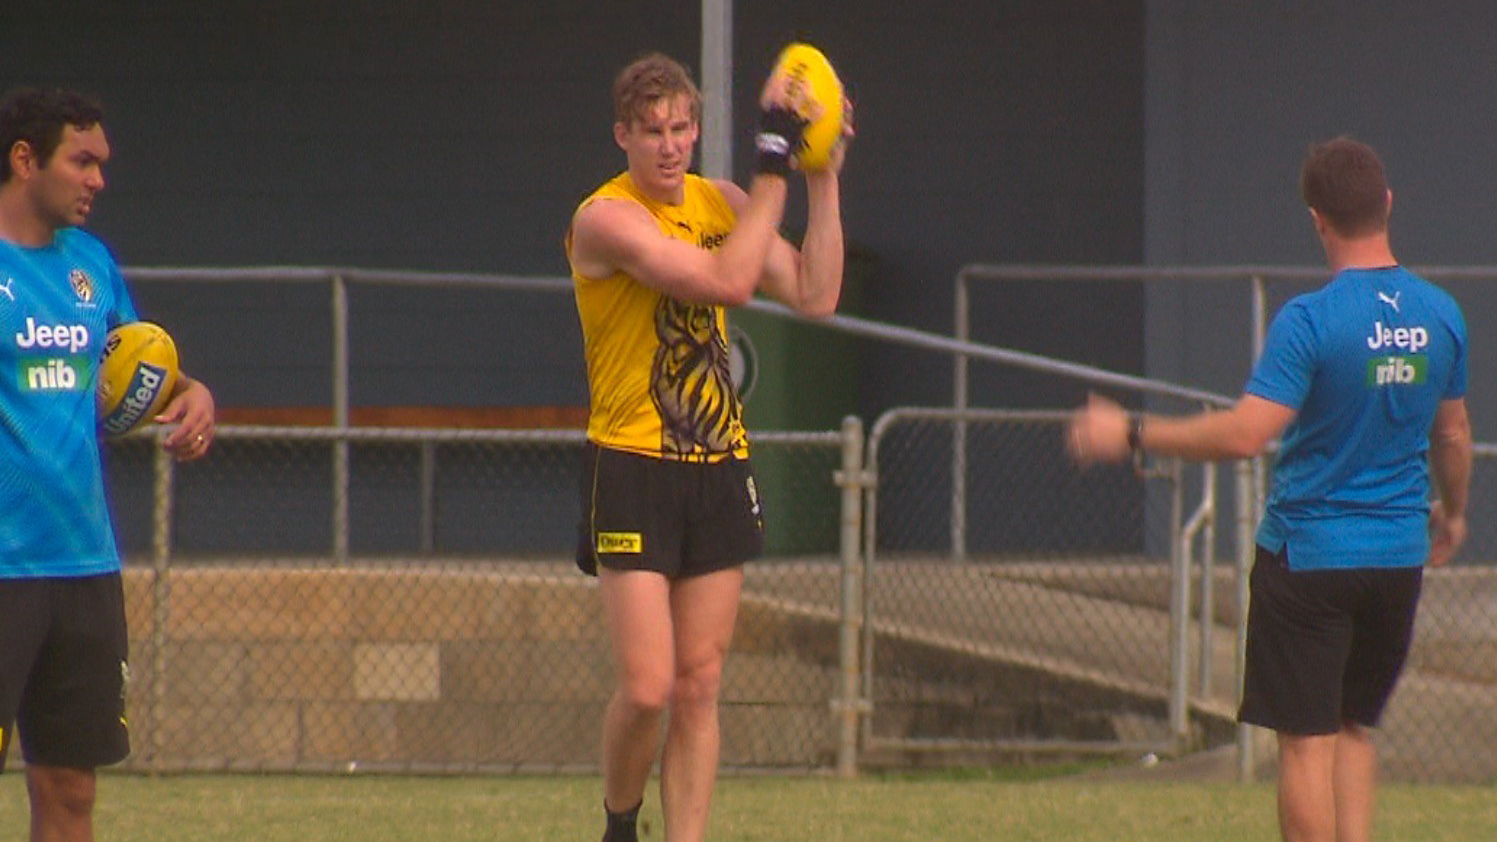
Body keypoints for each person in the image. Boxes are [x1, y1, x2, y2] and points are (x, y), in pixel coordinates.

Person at [1068, 137, 1470, 842]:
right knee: (1354, 729)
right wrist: (1454, 513)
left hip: (1309, 557)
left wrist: (1130, 431)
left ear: (1316, 219)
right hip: (1395, 556)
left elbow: (1243, 435)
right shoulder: (1440, 315)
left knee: (1304, 744)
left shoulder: (1309, 321)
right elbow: (1454, 433)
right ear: (1386, 204)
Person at [564, 53, 850, 842]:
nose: (668, 145)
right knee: (650, 686)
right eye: (650, 131)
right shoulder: (605, 218)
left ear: (696, 127)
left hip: (715, 462)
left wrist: (819, 172)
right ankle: (620, 824)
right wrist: (772, 163)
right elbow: (724, 284)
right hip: (630, 463)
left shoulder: (723, 200)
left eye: (681, 127)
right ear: (622, 135)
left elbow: (816, 293)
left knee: (699, 684)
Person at [0, 87, 217, 842]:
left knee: (70, 791)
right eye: (81, 161)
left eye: (102, 164)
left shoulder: (91, 264)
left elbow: (132, 364)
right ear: (24, 160)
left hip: (83, 566)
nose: (98, 180)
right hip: (2, 565)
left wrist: (192, 396)